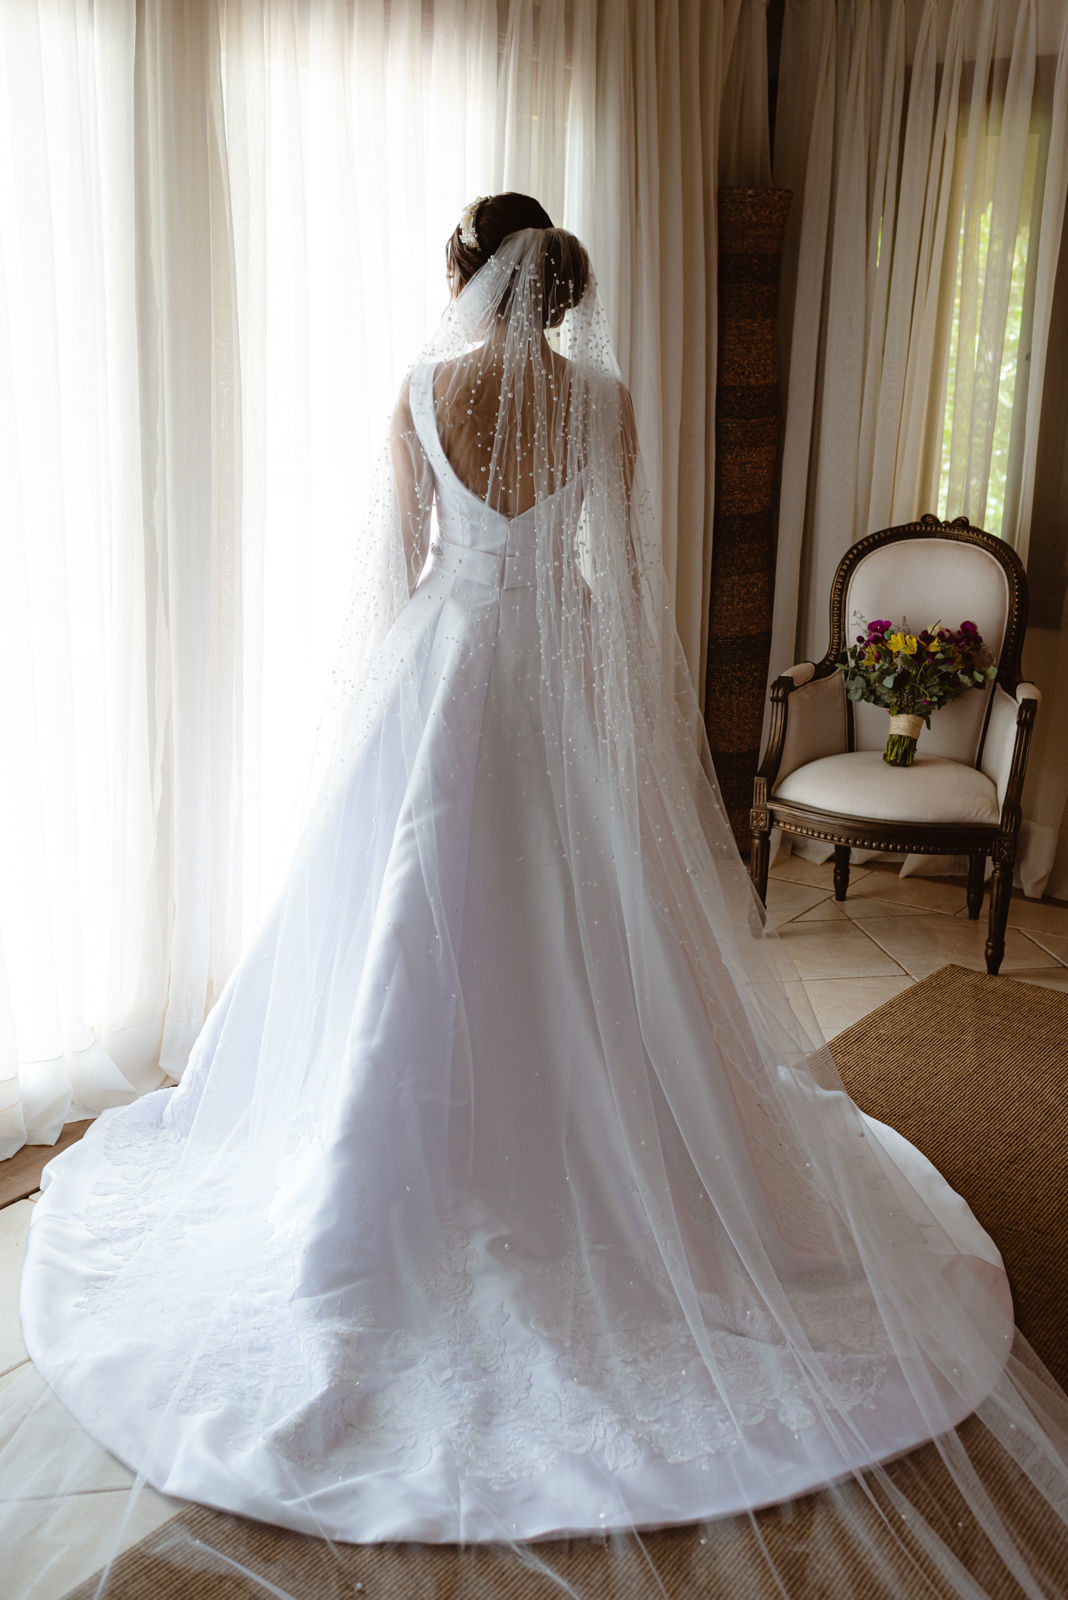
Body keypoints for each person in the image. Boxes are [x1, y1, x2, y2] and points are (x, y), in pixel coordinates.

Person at [7, 193, 1068, 1596]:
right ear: (560, 286)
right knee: (584, 938)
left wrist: (376, 722)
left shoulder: (419, 392)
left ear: (466, 274)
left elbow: (398, 579)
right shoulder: (609, 402)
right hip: (557, 685)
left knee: (412, 924)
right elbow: (614, 587)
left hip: (444, 679)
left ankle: (382, 1196)